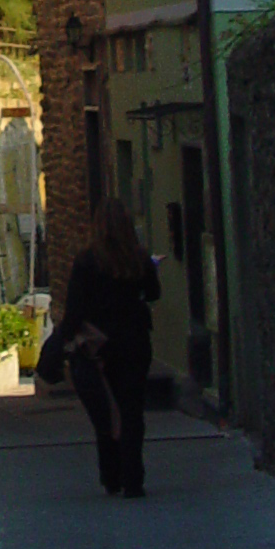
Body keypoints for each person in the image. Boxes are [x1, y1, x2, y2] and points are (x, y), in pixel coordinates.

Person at [59, 199, 162, 496]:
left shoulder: (86, 261)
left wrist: (64, 340)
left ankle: (111, 475)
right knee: (132, 410)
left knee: (105, 412)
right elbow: (153, 294)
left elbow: (75, 309)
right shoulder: (138, 259)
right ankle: (133, 478)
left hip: (99, 347)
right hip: (135, 343)